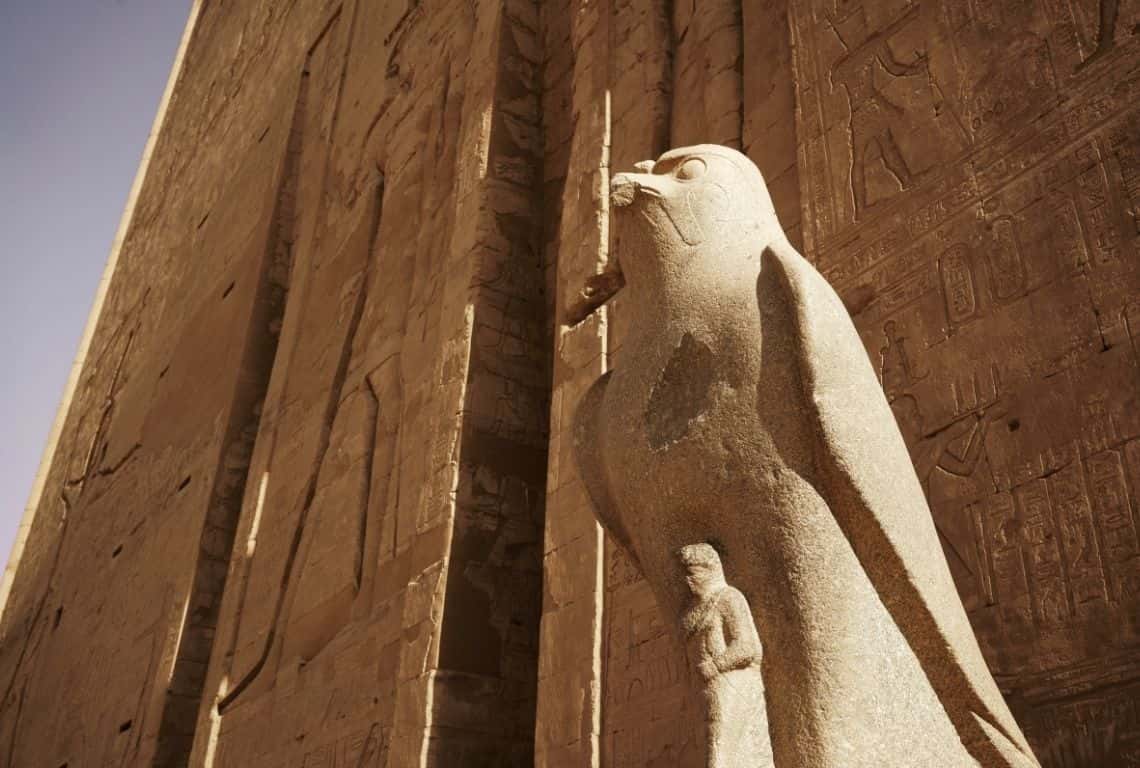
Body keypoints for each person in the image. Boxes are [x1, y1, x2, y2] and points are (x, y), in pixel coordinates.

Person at [679, 544, 772, 768]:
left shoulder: (729, 598)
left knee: (721, 752)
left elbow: (748, 646)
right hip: (704, 689)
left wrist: (717, 665)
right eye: (685, 573)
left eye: (693, 572)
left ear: (709, 570)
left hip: (731, 686)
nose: (687, 580)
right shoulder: (692, 609)